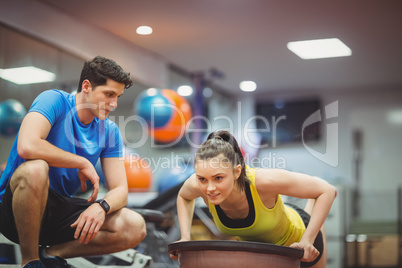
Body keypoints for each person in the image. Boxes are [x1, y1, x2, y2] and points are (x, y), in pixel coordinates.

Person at [0, 56, 147, 268]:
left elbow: (121, 190)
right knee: (36, 168)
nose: (114, 104)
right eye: (109, 94)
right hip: (13, 211)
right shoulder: (54, 100)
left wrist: (101, 207)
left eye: (118, 96)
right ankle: (30, 261)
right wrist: (81, 162)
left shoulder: (109, 131)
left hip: (57, 212)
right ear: (86, 86)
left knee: (134, 225)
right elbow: (27, 145)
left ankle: (49, 255)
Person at [171, 130, 337, 268]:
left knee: (316, 198)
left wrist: (307, 240)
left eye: (219, 178)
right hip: (263, 256)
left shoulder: (263, 181)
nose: (210, 188)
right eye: (202, 179)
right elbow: (183, 196)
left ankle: (311, 204)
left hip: (299, 246)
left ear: (237, 172)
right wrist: (185, 236)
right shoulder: (197, 184)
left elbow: (327, 191)